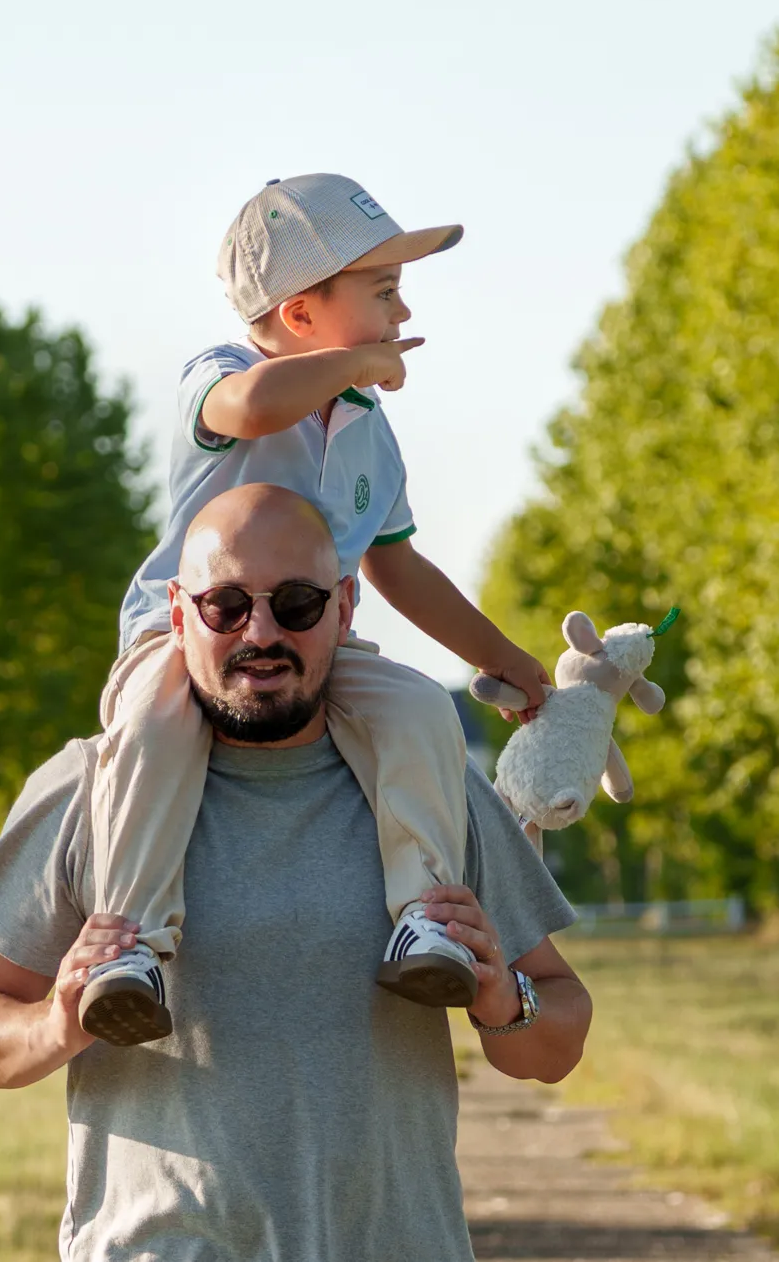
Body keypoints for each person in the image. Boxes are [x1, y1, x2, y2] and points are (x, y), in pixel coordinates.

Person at [0, 484, 588, 1260]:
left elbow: (560, 1035)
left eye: (297, 602)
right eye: (226, 604)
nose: (262, 631)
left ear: (344, 607)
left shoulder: (435, 788)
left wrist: (505, 1001)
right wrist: (54, 1024)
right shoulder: (92, 789)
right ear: (176, 613)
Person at [84, 174, 554, 1043]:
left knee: (419, 712)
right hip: (192, 635)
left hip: (316, 643)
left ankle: (425, 918)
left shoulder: (368, 427)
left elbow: (399, 564)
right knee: (154, 728)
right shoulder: (223, 376)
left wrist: (504, 658)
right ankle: (133, 946)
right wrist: (358, 365)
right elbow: (254, 407)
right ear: (301, 315)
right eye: (382, 291)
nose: (400, 309)